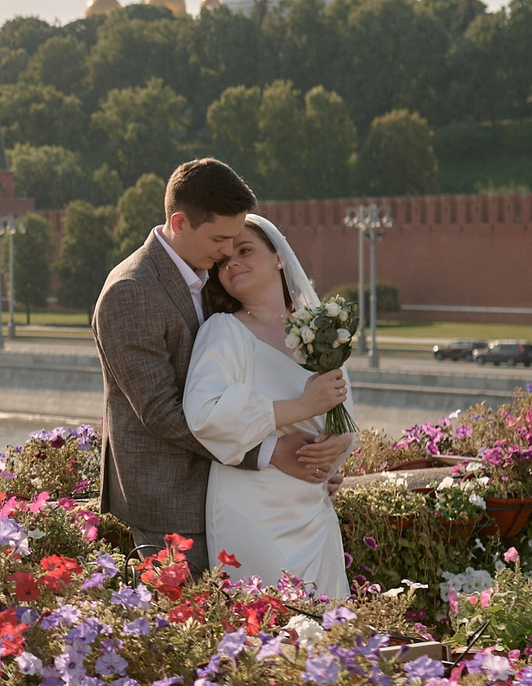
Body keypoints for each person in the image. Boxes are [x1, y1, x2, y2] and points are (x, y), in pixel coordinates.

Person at [92, 159, 342, 571]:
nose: (228, 251)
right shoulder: (130, 292)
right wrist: (270, 451)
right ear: (180, 222)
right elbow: (162, 413)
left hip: (232, 492)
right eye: (220, 238)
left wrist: (318, 464)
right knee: (195, 630)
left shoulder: (208, 277)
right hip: (171, 500)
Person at [184, 215, 353, 596]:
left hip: (313, 505)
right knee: (268, 622)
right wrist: (299, 406)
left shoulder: (320, 335)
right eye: (224, 260)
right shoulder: (224, 331)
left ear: (279, 257)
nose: (233, 263)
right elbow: (204, 415)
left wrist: (338, 448)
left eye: (245, 251)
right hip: (252, 507)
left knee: (325, 633)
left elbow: (343, 413)